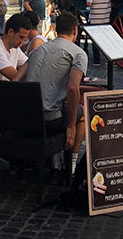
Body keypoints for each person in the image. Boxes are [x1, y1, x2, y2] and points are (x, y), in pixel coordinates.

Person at [23, 10, 87, 152]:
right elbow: (72, 88)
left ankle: (56, 161)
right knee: (83, 114)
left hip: (26, 116)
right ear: (75, 30)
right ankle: (71, 165)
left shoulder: (39, 49)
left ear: (56, 30)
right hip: (48, 120)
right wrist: (71, 125)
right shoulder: (78, 53)